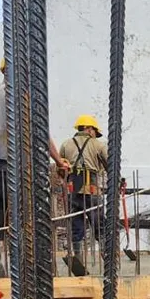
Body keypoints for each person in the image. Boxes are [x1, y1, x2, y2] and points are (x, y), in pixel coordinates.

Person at [0, 58, 67, 278]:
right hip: (16, 169)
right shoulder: (26, 97)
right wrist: (58, 160)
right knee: (26, 220)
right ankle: (28, 275)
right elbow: (43, 135)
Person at [58, 114, 109, 274]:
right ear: (88, 128)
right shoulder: (98, 145)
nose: (95, 134)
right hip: (92, 191)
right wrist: (119, 180)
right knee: (99, 225)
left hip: (73, 191)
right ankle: (106, 256)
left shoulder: (66, 145)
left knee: (76, 226)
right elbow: (110, 165)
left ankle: (78, 259)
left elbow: (61, 170)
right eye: (94, 131)